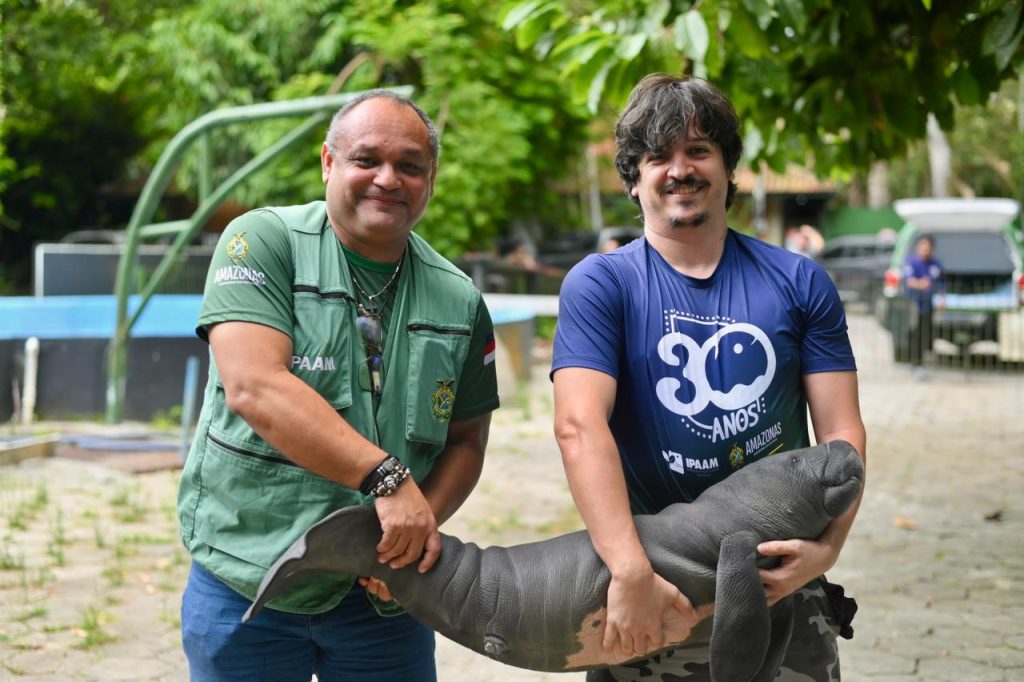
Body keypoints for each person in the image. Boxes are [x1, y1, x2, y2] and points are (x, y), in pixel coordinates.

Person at [551, 74, 867, 681]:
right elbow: (578, 426)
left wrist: (827, 549)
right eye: (657, 156)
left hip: (782, 576)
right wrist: (627, 570)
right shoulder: (602, 284)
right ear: (633, 179)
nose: (679, 169)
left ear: (727, 167)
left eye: (698, 150)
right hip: (651, 583)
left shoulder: (800, 281)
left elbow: (842, 433)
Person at [177, 89, 499, 681]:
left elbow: (467, 440)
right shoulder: (261, 244)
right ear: (328, 163)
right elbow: (255, 386)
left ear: (430, 179)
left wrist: (418, 525)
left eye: (409, 166)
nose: (388, 179)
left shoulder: (458, 299)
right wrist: (389, 478)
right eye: (366, 159)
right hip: (251, 581)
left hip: (384, 604)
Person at [902, 234, 943, 374]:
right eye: (922, 246)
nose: (925, 249)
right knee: (914, 333)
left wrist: (942, 298)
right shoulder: (911, 262)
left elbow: (940, 283)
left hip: (928, 306)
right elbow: (909, 281)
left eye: (928, 247)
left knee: (927, 332)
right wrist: (921, 284)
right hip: (913, 305)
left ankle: (923, 359)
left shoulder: (935, 264)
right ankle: (915, 362)